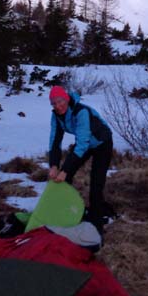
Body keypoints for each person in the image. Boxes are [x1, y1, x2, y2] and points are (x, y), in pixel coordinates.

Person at [48, 85, 114, 233]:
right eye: (53, 103)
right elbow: (55, 141)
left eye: (60, 101)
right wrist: (53, 165)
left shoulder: (81, 111)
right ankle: (66, 211)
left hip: (102, 143)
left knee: (96, 183)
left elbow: (82, 143)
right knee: (65, 177)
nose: (58, 106)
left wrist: (64, 169)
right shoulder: (56, 116)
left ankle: (97, 225)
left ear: (66, 98)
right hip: (85, 143)